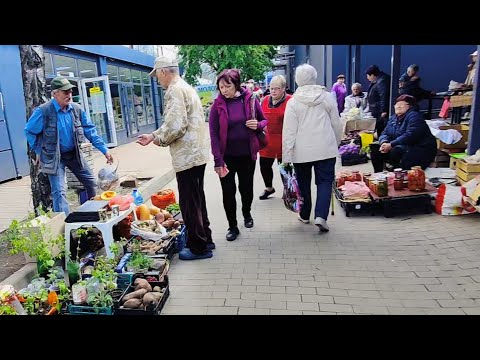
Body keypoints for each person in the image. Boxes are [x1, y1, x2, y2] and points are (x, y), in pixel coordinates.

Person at [136, 56, 213, 261]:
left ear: (163, 72)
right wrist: (153, 134)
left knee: (189, 202)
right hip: (196, 153)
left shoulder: (174, 90)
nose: (157, 80)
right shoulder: (185, 87)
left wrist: (158, 139)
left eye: (157, 75)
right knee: (198, 199)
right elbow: (174, 122)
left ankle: (199, 247)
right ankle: (206, 239)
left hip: (187, 156)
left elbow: (175, 125)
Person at [24, 76, 113, 215]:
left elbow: (90, 130)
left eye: (70, 91)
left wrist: (104, 150)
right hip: (54, 157)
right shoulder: (43, 111)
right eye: (65, 92)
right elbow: (29, 131)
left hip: (73, 154)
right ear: (54, 94)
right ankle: (65, 228)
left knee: (91, 182)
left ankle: (92, 213)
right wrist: (39, 151)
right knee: (59, 191)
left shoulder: (76, 109)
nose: (69, 95)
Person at [283, 64, 344, 232]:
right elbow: (337, 124)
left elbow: (289, 132)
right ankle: (320, 216)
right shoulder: (326, 97)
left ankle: (304, 214)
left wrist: (287, 156)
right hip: (325, 148)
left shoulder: (293, 102)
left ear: (297, 80)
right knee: (324, 182)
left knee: (303, 184)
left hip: (301, 152)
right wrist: (336, 143)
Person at [209, 69, 267, 241]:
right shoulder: (217, 105)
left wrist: (257, 125)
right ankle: (232, 226)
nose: (224, 90)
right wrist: (218, 160)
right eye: (221, 87)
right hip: (226, 158)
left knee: (246, 189)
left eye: (227, 86)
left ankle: (247, 214)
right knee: (228, 192)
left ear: (236, 84)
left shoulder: (250, 100)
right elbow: (213, 134)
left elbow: (264, 121)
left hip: (247, 155)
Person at [370, 94, 437, 173]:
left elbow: (411, 135)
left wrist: (391, 144)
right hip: (401, 145)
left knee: (396, 150)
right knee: (375, 148)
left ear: (410, 106)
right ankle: (378, 175)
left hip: (420, 148)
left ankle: (399, 174)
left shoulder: (415, 116)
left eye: (402, 104)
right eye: (397, 104)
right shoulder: (393, 118)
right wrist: (384, 142)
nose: (398, 106)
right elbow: (385, 133)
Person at [258, 75, 292, 200]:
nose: (272, 91)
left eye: (276, 88)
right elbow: (259, 116)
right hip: (267, 140)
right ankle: (269, 188)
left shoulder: (290, 100)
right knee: (264, 166)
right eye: (271, 88)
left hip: (283, 140)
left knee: (284, 168)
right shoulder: (265, 100)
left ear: (283, 88)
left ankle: (288, 189)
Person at [365, 65, 391, 137]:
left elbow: (383, 95)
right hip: (377, 109)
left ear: (372, 75)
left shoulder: (381, 81)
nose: (367, 78)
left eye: (368, 76)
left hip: (380, 111)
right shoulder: (379, 79)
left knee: (381, 128)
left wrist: (384, 110)